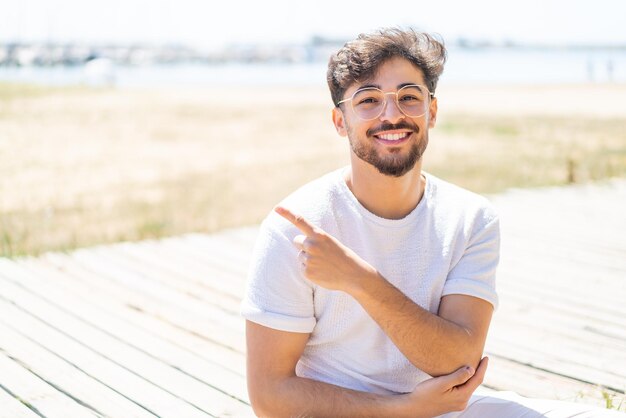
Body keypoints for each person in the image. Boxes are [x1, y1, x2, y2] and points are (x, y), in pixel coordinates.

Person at [241, 28, 620, 417]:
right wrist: (402, 409)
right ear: (341, 121)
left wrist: (359, 280)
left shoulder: (471, 218)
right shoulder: (296, 227)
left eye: (409, 97)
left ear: (431, 112)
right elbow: (271, 396)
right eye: (368, 100)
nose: (392, 114)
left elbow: (457, 360)